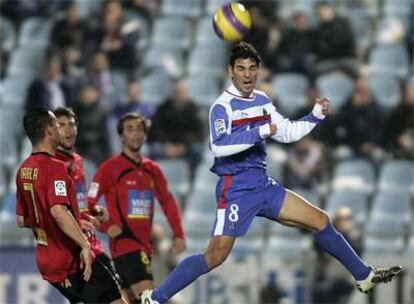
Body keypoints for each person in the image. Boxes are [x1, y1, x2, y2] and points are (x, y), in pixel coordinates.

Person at [141, 42, 402, 303]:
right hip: (237, 190)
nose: (247, 74)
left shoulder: (263, 101)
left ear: (258, 71)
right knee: (215, 257)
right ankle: (156, 298)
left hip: (263, 186)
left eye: (252, 68)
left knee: (320, 220)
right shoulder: (222, 107)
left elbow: (286, 131)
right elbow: (220, 146)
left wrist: (313, 116)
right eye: (241, 68)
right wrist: (260, 132)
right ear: (230, 71)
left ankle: (363, 275)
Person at [15, 107, 124, 303]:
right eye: (57, 124)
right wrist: (83, 243)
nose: (62, 129)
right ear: (49, 130)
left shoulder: (23, 170)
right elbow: (58, 211)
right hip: (70, 259)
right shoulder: (55, 167)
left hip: (47, 260)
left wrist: (69, 222)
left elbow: (22, 220)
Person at [88, 112, 186, 303]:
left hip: (142, 248)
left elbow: (168, 201)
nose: (135, 134)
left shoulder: (152, 169)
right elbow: (88, 205)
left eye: (139, 129)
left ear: (145, 134)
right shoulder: (110, 168)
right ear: (122, 136)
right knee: (149, 299)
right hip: (127, 246)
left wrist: (179, 234)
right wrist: (106, 227)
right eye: (129, 129)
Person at [53, 107, 126, 296]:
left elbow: (76, 200)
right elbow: (54, 210)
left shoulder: (76, 160)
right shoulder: (53, 166)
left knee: (116, 291)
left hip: (91, 244)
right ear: (51, 130)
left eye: (71, 124)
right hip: (72, 249)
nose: (68, 129)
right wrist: (79, 222)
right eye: (61, 125)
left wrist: (92, 210)